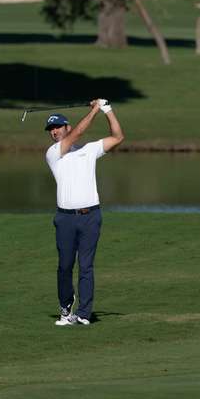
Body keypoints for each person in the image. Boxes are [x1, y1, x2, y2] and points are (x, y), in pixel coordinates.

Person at [44, 99, 124, 326]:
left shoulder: (89, 151)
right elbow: (78, 133)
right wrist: (95, 110)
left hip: (91, 216)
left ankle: (84, 313)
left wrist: (107, 109)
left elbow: (118, 137)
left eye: (58, 126)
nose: (55, 132)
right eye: (51, 129)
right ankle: (65, 310)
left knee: (86, 266)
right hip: (65, 218)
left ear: (66, 126)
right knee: (65, 265)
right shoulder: (53, 153)